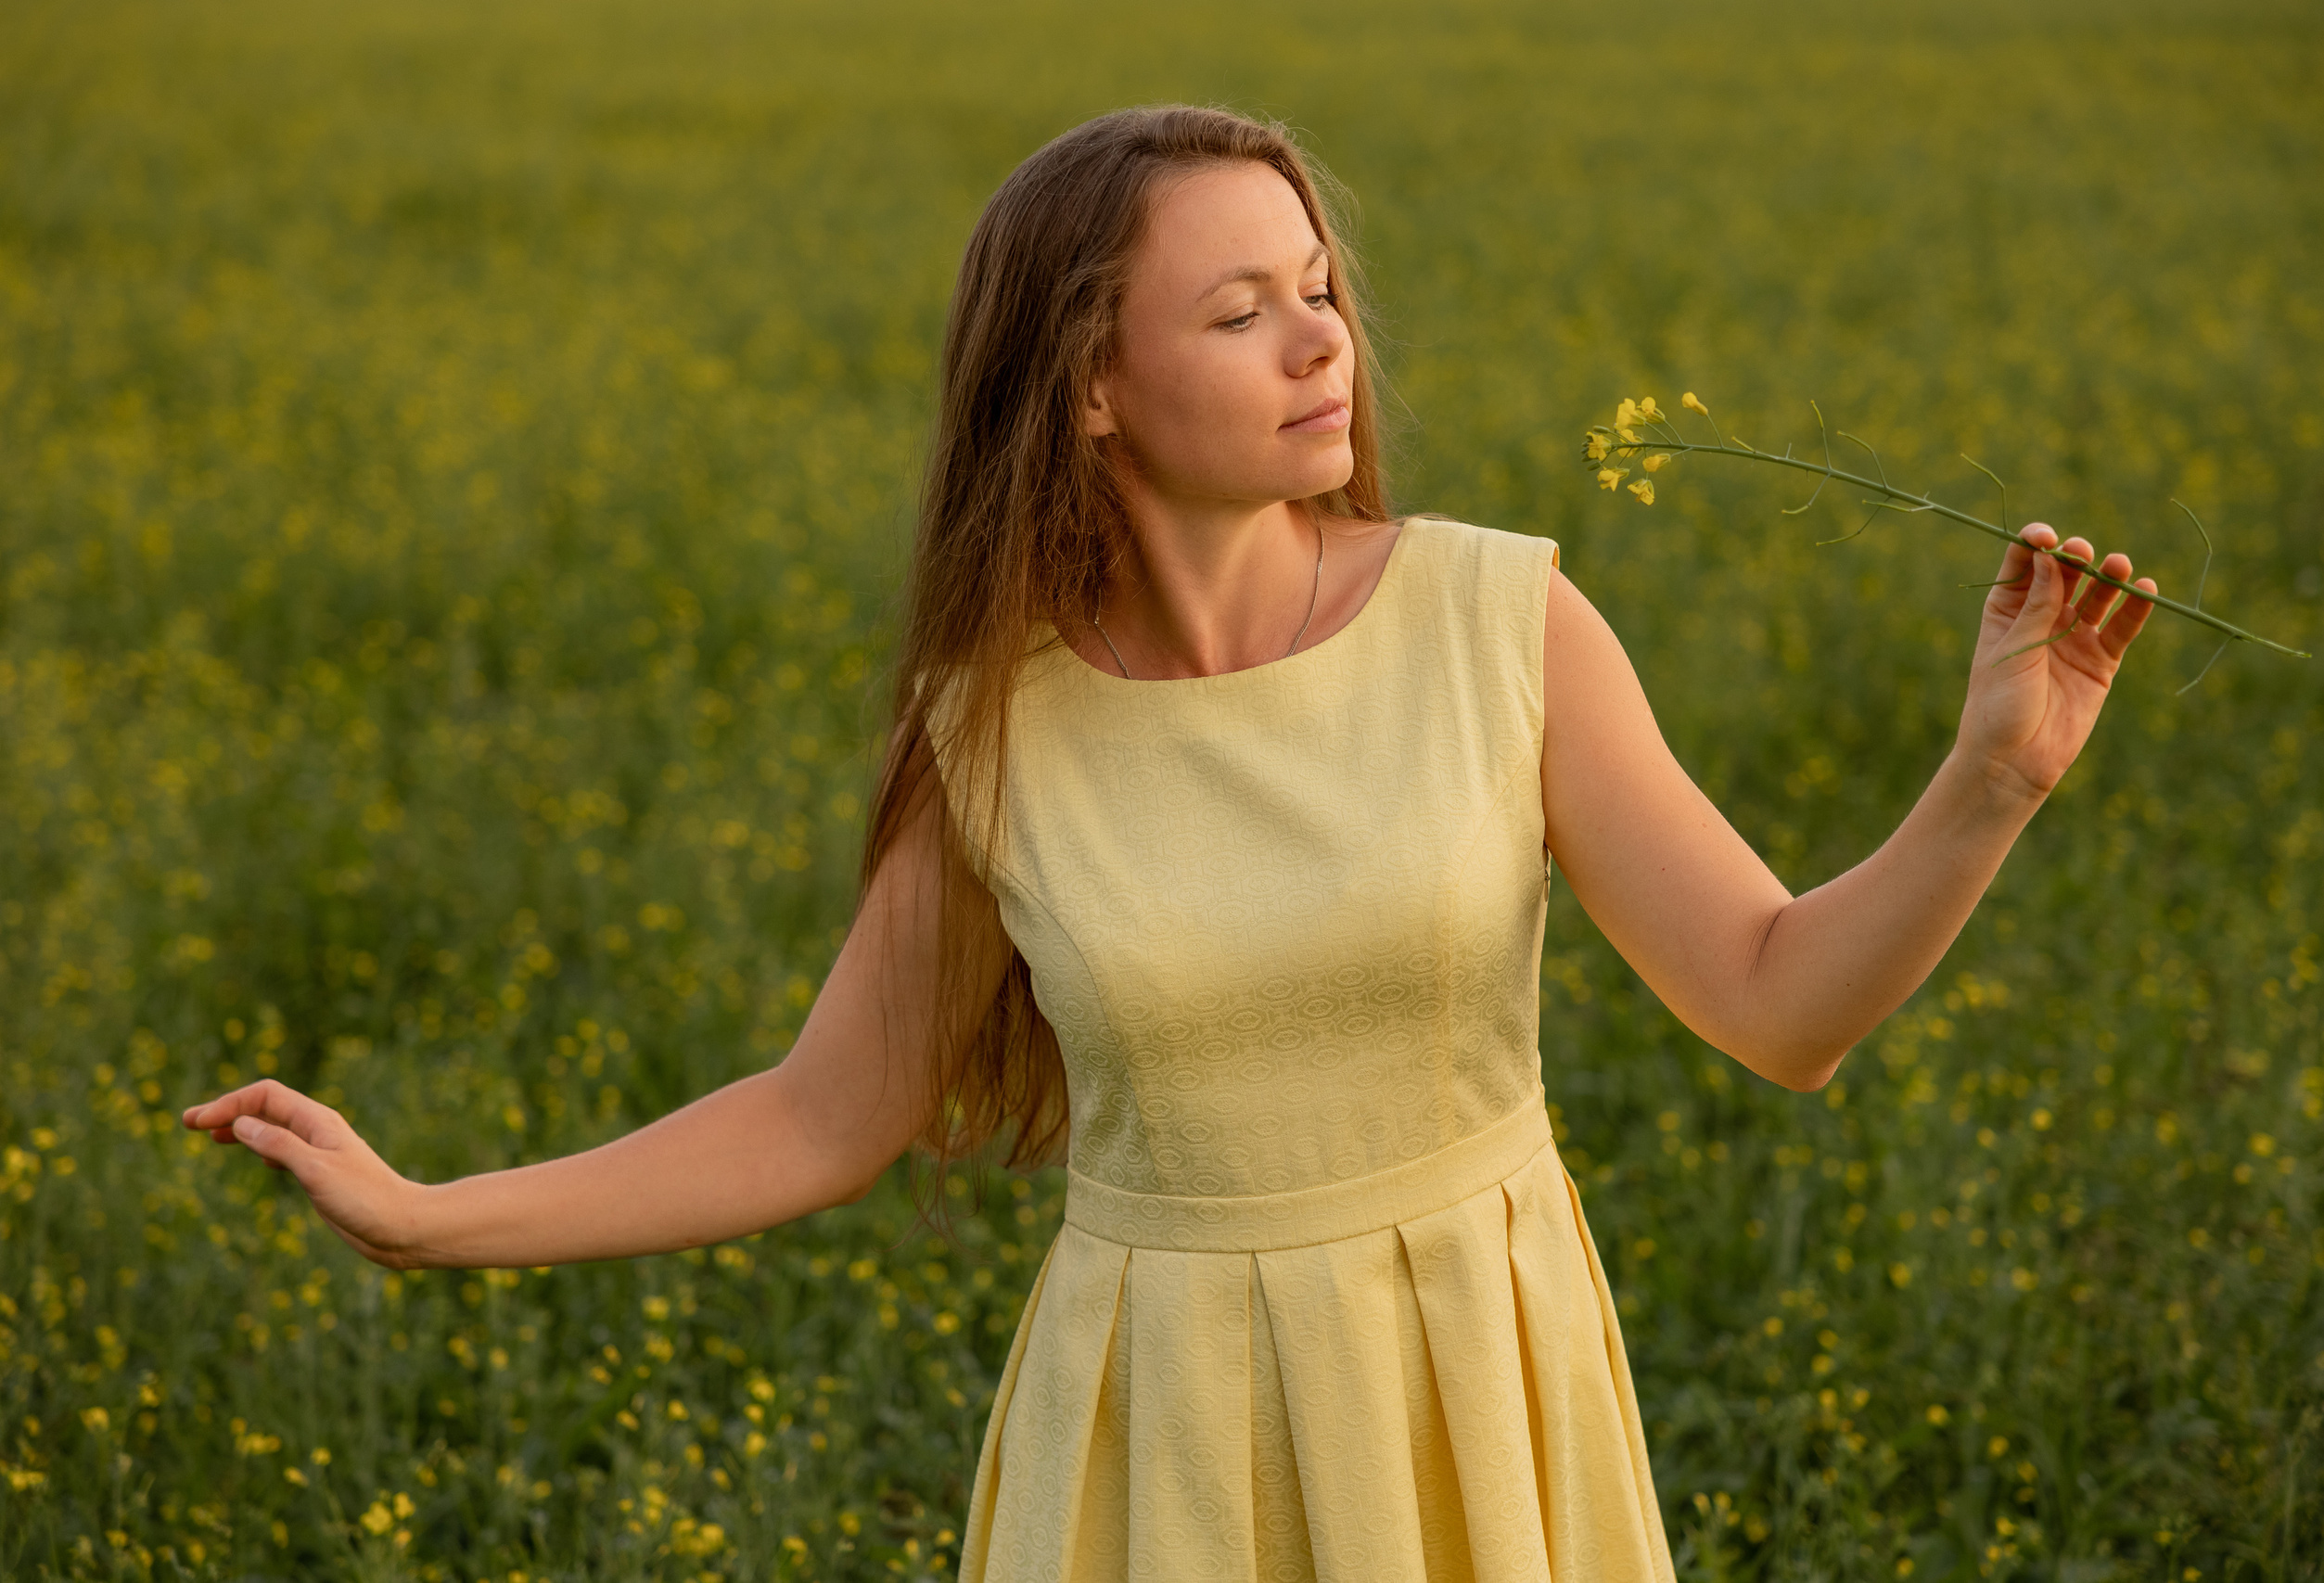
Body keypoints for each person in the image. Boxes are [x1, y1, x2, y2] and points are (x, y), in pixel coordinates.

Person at [183, 105, 2158, 1580]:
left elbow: (1773, 1002)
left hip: (1477, 1402)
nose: (1320, 343)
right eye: (1240, 309)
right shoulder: (995, 727)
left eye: (1317, 292)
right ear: (1094, 386)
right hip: (1157, 1453)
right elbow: (818, 1114)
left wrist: (1986, 777)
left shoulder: (1498, 619)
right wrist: (429, 1208)